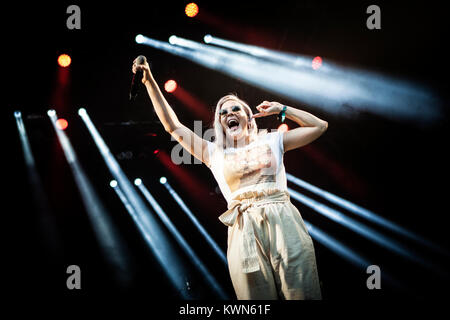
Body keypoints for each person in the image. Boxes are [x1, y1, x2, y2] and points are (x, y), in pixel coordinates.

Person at [132, 57, 328, 300]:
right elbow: (173, 126)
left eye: (235, 109)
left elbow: (319, 127)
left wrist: (282, 110)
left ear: (249, 116)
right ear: (220, 123)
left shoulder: (272, 139)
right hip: (243, 225)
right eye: (223, 113)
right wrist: (150, 80)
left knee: (302, 293)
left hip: (282, 218)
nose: (229, 114)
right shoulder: (212, 152)